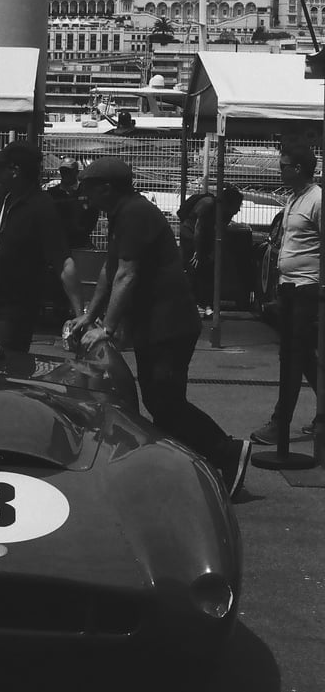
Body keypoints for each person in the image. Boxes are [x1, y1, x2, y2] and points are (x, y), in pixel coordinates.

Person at [68, 156, 251, 499]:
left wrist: (106, 328)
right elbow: (110, 269)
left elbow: (128, 273)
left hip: (170, 323)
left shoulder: (135, 213)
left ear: (107, 188)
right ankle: (182, 471)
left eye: (89, 189)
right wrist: (89, 316)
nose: (85, 197)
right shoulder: (121, 213)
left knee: (166, 402)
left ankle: (227, 452)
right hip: (155, 324)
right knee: (160, 401)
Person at [0, 140, 82, 353]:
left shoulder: (42, 207)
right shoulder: (3, 197)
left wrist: (79, 315)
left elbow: (63, 262)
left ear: (15, 170)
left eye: (0, 167)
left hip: (11, 313)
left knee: (2, 374)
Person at [251, 138, 320, 445]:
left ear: (298, 169)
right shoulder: (295, 198)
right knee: (302, 356)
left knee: (292, 356)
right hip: (291, 288)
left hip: (308, 289)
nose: (278, 171)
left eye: (282, 167)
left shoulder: (317, 200)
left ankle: (280, 424)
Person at [178, 183, 244, 317]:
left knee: (208, 269)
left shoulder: (226, 212)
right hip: (191, 236)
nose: (238, 210)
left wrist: (213, 251)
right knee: (194, 268)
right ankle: (191, 305)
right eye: (237, 206)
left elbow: (220, 232)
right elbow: (198, 228)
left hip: (204, 238)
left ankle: (205, 304)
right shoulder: (208, 205)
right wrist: (197, 251)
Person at [47, 157, 99, 249]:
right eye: (63, 171)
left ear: (76, 172)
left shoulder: (86, 192)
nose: (65, 174)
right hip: (58, 243)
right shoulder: (52, 194)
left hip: (81, 242)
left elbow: (93, 214)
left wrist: (82, 232)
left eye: (68, 171)